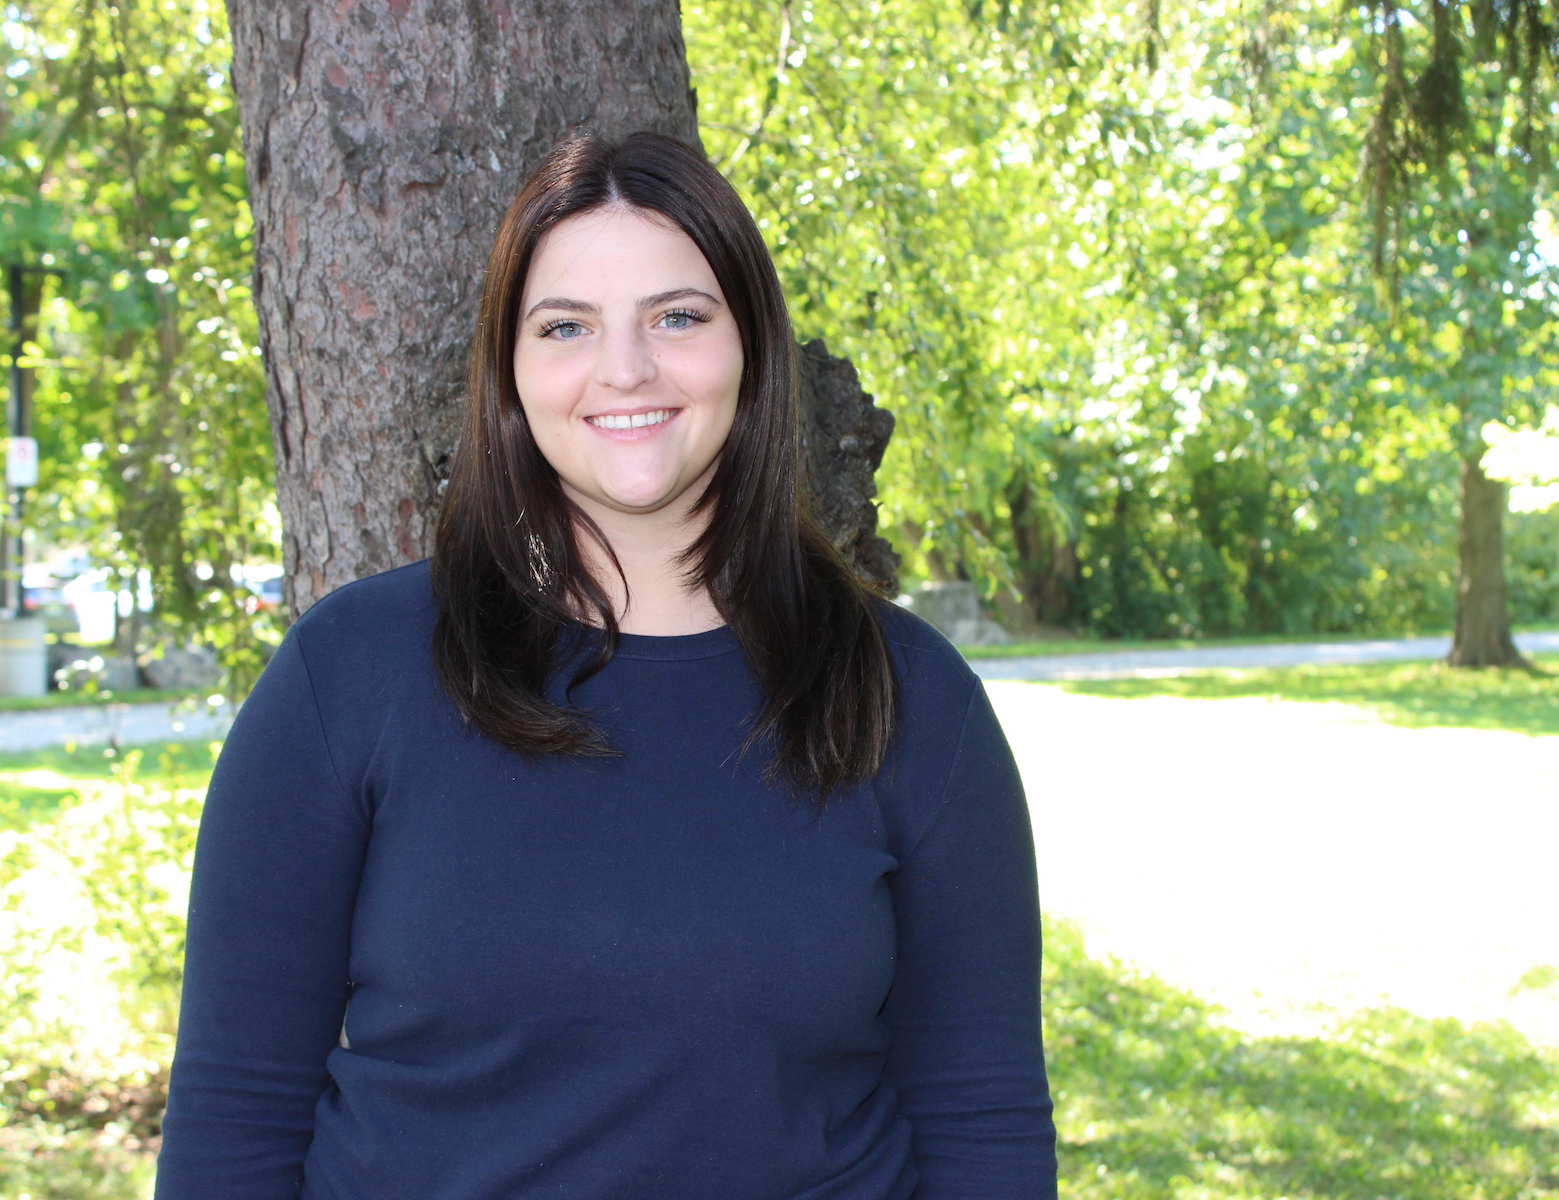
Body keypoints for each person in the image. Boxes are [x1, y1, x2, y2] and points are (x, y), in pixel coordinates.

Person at [155, 131, 1055, 1200]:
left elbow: (980, 1113)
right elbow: (236, 1110)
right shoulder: (348, 677)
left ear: (751, 349)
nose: (624, 368)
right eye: (567, 326)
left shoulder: (906, 697)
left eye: (677, 316)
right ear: (511, 371)